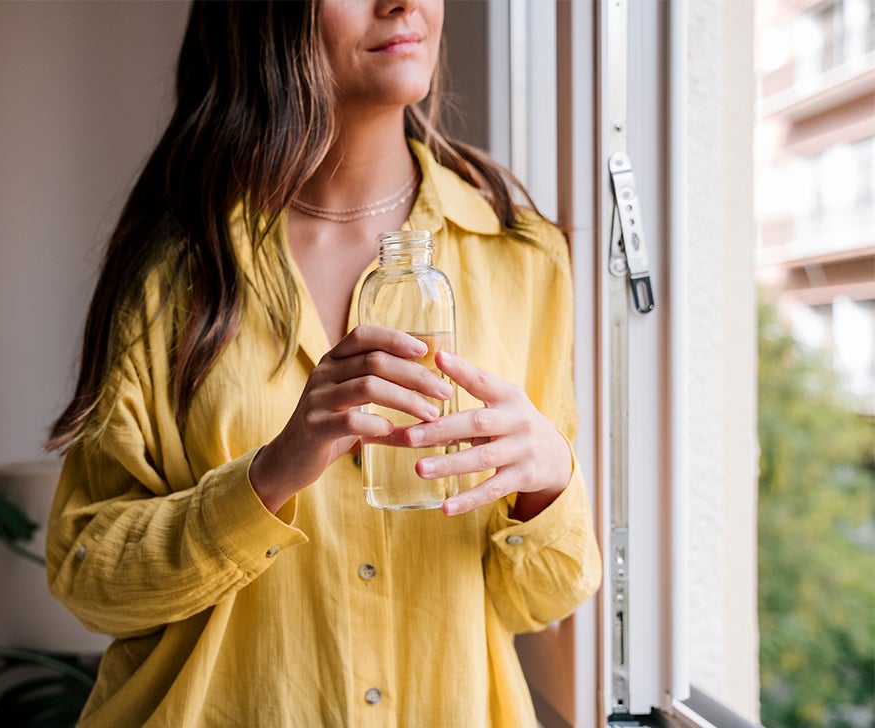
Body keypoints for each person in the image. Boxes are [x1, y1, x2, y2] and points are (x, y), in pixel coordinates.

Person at [44, 0, 601, 725]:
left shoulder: (523, 258)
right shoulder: (173, 272)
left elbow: (539, 601)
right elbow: (89, 577)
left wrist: (547, 487)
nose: (401, 2)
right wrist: (269, 475)